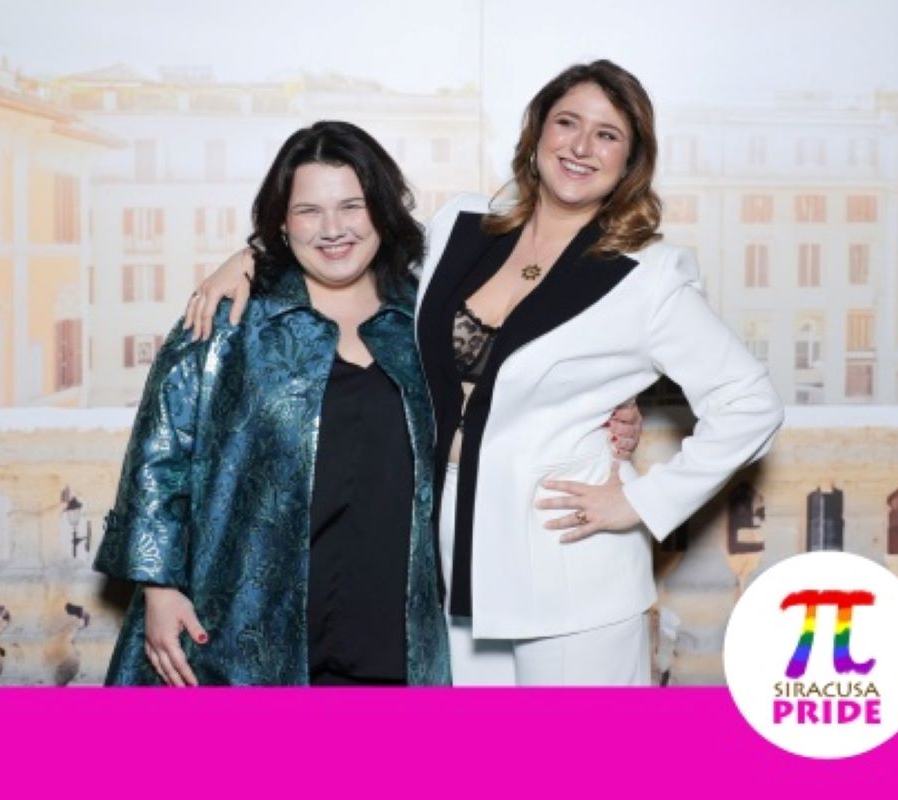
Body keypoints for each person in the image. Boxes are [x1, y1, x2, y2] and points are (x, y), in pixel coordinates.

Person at [187, 60, 782, 686]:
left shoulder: (648, 275)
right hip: (452, 558)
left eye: (607, 134)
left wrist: (642, 500)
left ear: (630, 160)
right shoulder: (462, 225)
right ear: (537, 132)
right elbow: (352, 247)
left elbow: (750, 403)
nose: (581, 147)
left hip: (573, 566)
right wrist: (255, 255)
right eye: (567, 123)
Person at [94, 121, 451, 686]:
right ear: (282, 223)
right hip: (246, 633)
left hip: (391, 635)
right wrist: (158, 588)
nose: (332, 229)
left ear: (382, 210)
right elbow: (160, 456)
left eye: (352, 206)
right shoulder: (230, 318)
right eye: (309, 211)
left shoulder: (424, 319)